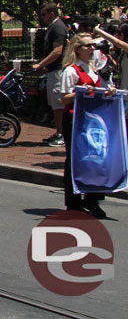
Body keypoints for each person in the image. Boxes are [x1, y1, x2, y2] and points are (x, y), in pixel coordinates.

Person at [57, 33, 115, 218]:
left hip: (91, 120)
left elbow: (97, 92)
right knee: (74, 159)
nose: (92, 49)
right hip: (74, 119)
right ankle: (73, 203)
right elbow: (64, 98)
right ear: (77, 49)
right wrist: (80, 92)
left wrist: (107, 92)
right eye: (87, 46)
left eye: (92, 45)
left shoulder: (93, 69)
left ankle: (92, 198)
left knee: (95, 158)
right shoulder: (71, 71)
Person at [32, 3, 70, 147]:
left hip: (59, 70)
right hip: (52, 70)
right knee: (54, 104)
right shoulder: (53, 27)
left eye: (43, 14)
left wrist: (41, 64)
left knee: (59, 104)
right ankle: (58, 132)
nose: (42, 18)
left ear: (52, 13)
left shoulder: (58, 27)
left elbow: (58, 51)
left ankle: (62, 134)